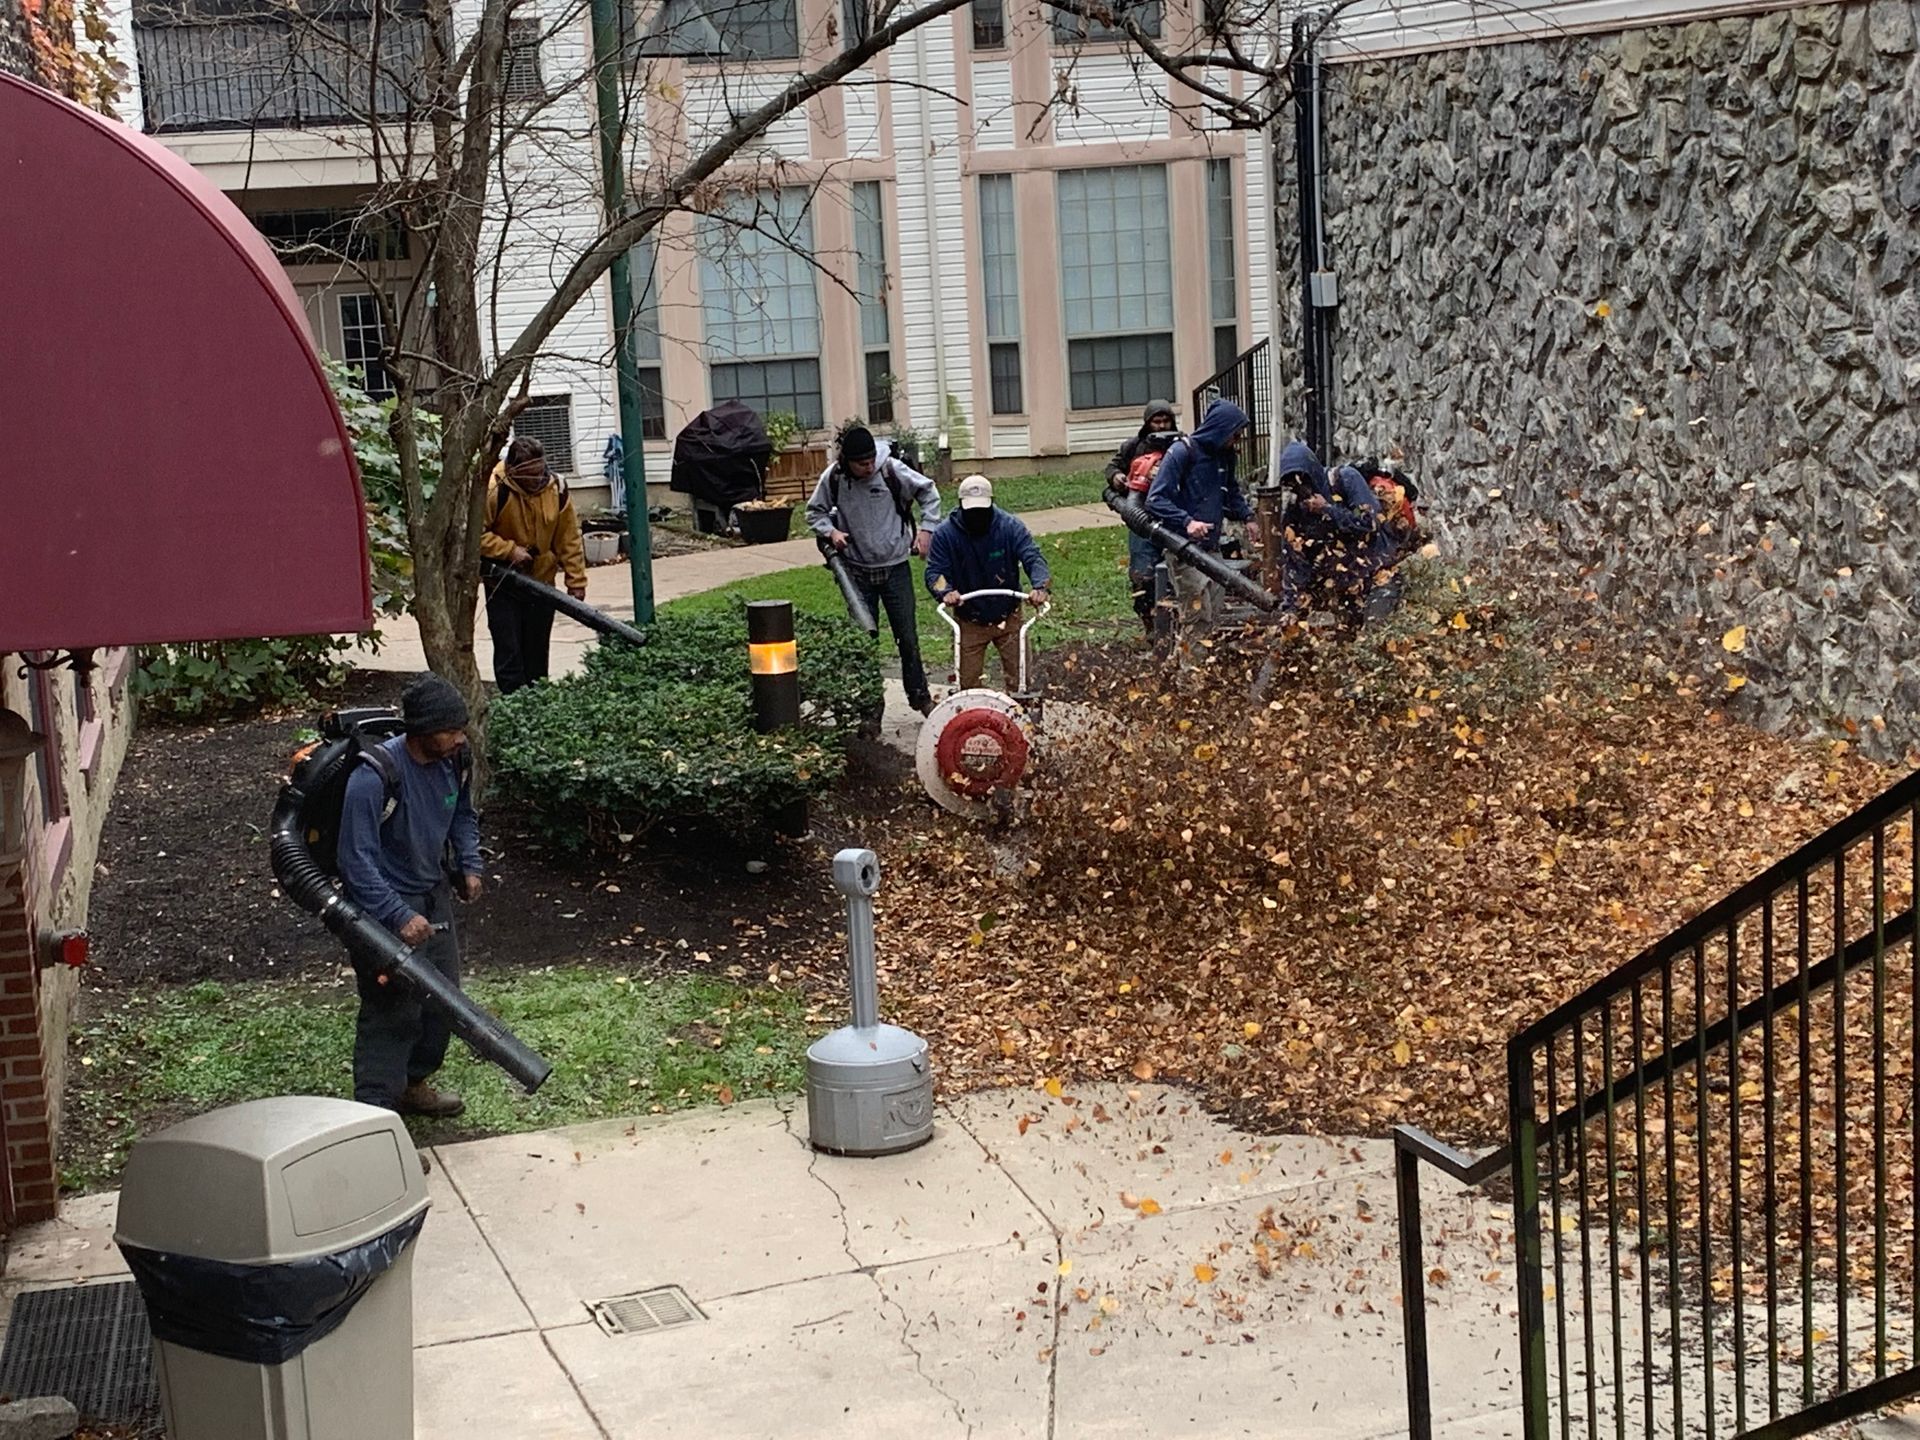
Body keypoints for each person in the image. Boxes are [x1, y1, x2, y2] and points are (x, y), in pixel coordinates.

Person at [336, 673, 483, 1118]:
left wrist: (469, 863)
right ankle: (375, 1116)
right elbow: (354, 861)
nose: (460, 738)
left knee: (444, 1002)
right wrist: (398, 914)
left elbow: (461, 813)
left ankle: (413, 1084)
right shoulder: (373, 778)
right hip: (383, 909)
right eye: (450, 730)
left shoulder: (454, 761)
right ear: (421, 731)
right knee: (392, 1012)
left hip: (432, 895)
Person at [805, 423, 943, 715]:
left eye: (870, 462)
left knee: (907, 636)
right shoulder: (833, 478)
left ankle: (920, 697)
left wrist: (927, 530)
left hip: (895, 568)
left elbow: (928, 492)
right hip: (857, 572)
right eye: (861, 463)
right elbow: (814, 511)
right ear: (847, 461)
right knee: (865, 641)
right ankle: (870, 710)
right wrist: (831, 533)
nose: (868, 468)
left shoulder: (890, 470)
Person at [1145, 399, 1253, 663]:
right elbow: (1155, 500)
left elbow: (1231, 493)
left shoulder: (1225, 457)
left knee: (1213, 614)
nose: (1236, 440)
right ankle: (1190, 680)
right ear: (1220, 429)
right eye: (1234, 434)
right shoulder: (1182, 453)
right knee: (1197, 615)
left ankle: (1188, 665)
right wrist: (1187, 522)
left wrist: (1248, 517)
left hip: (1212, 550)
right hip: (1185, 550)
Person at [480, 436, 588, 694]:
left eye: (539, 472)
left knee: (537, 652)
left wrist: (576, 580)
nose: (535, 480)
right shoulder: (493, 488)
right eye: (528, 475)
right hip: (503, 583)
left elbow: (568, 537)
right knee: (509, 652)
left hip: (542, 582)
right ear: (513, 469)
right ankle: (514, 705)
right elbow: (474, 534)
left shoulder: (557, 489)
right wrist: (508, 551)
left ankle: (538, 705)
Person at [925, 475, 1051, 691]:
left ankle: (1024, 717)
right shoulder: (945, 534)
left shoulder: (1009, 527)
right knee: (969, 685)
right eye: (972, 511)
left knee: (1021, 680)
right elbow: (935, 572)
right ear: (961, 506)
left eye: (982, 511)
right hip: (969, 620)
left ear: (992, 503)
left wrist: (1040, 586)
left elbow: (1032, 556)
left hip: (1008, 617)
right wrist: (944, 591)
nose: (977, 517)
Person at [1274, 439, 1385, 630]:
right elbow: (1294, 559)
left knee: (1373, 631)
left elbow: (1369, 522)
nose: (1301, 489)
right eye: (1293, 485)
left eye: (1302, 480)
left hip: (1372, 574)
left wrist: (1328, 510)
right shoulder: (1296, 509)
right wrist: (1290, 607)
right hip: (1332, 584)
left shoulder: (1346, 480)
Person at [1103, 399, 1179, 636]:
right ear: (1147, 424)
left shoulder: (1180, 445)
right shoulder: (1133, 447)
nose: (1162, 425)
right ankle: (1150, 628)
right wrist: (1116, 477)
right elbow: (1112, 468)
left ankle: (1176, 628)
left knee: (1176, 577)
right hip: (1141, 523)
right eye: (1156, 421)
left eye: (1166, 420)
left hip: (1174, 522)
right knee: (1142, 578)